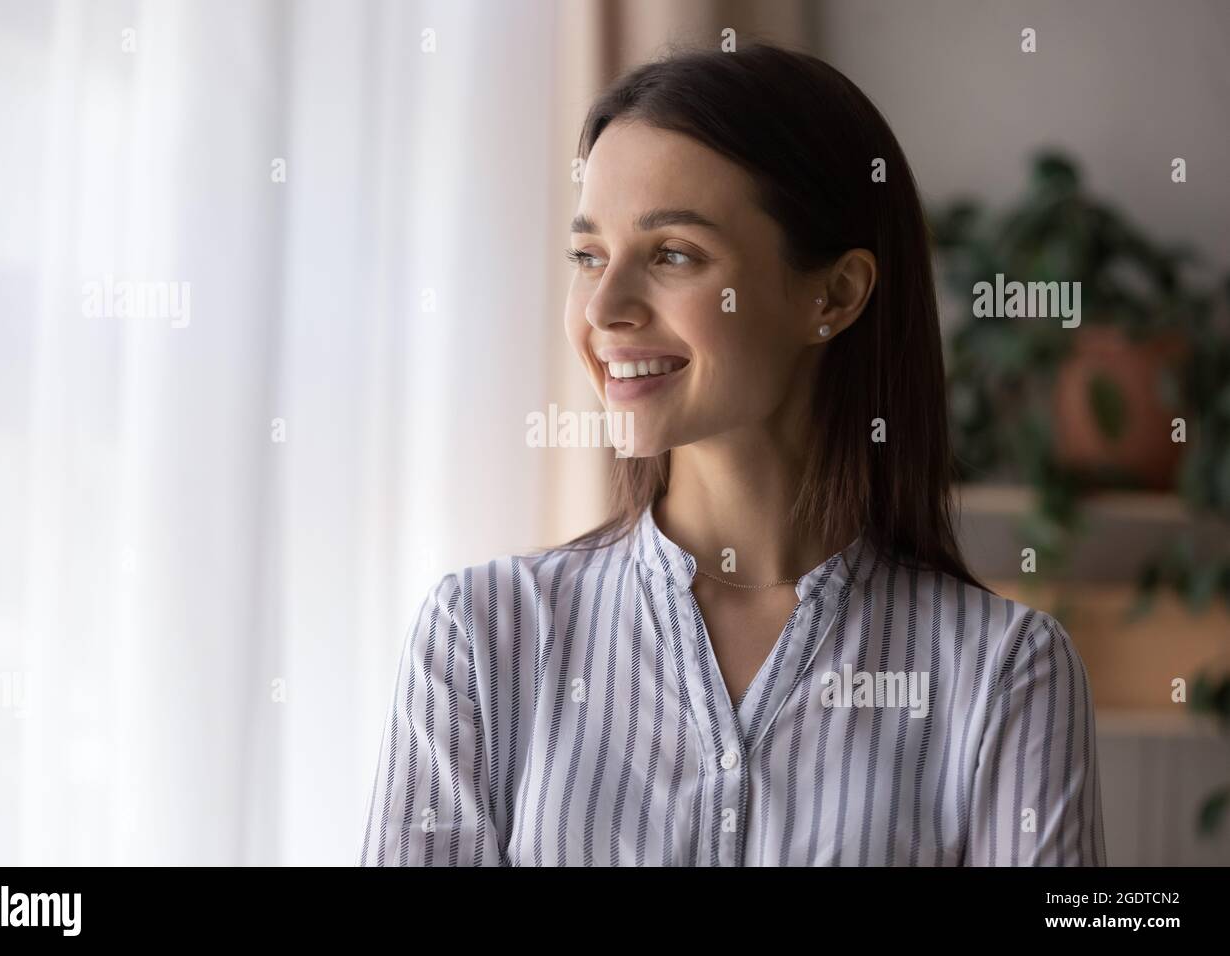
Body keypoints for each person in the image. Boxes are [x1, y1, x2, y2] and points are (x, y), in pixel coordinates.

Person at [359, 42, 1106, 867]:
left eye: (673, 254)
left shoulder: (1004, 673)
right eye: (587, 256)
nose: (604, 307)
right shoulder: (482, 638)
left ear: (834, 293)